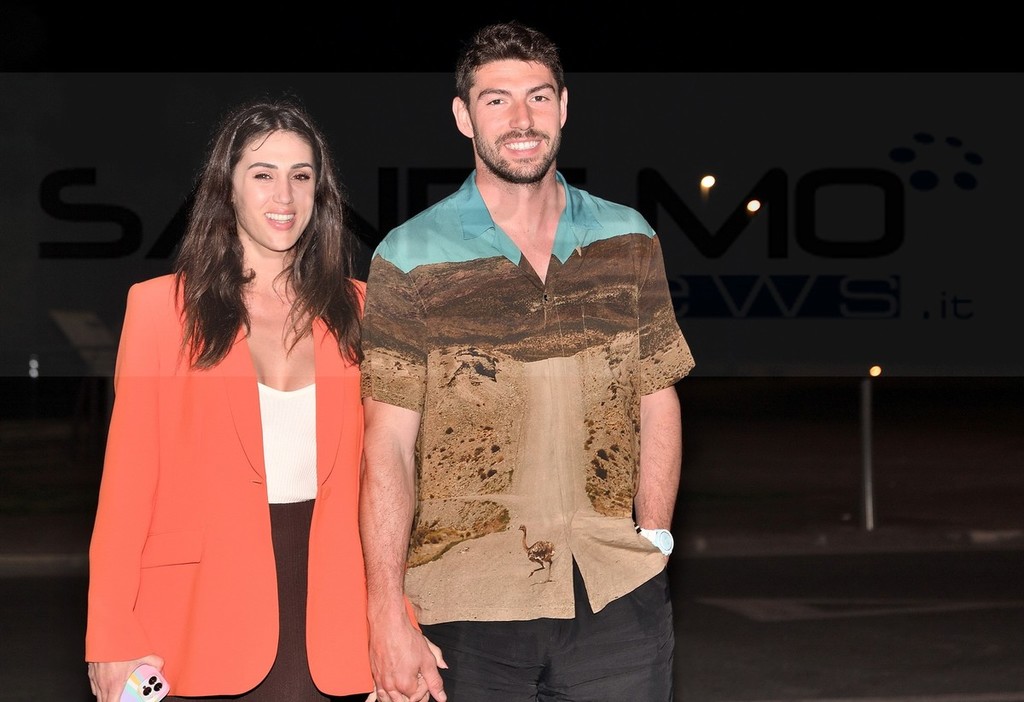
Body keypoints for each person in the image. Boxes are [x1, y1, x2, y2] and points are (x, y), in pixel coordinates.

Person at [358, 20, 696, 702]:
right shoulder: (409, 254)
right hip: (463, 600)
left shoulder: (627, 237)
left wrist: (655, 537)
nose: (522, 119)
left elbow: (656, 394)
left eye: (538, 97)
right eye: (497, 100)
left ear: (563, 107)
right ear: (464, 117)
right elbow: (387, 444)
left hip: (616, 595)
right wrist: (384, 608)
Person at [85, 97, 377, 701]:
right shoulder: (162, 310)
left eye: (301, 176)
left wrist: (402, 616)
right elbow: (127, 486)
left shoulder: (362, 311)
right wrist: (110, 634)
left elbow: (394, 480)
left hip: (337, 613)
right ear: (228, 188)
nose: (284, 196)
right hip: (199, 614)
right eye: (263, 174)